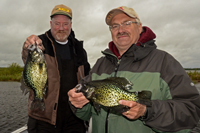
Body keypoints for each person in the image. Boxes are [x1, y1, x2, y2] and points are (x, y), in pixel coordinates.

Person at [68, 6, 200, 133]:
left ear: (139, 27)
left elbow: (192, 110)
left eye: (127, 23)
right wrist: (78, 104)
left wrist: (147, 111)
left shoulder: (164, 61)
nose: (120, 30)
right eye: (115, 26)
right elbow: (86, 115)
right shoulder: (100, 64)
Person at [21, 4, 90, 133]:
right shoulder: (40, 43)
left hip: (74, 118)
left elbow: (87, 77)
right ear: (50, 24)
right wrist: (28, 47)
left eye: (65, 24)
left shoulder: (79, 49)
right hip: (44, 118)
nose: (61, 28)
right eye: (57, 24)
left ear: (71, 25)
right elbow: (27, 58)